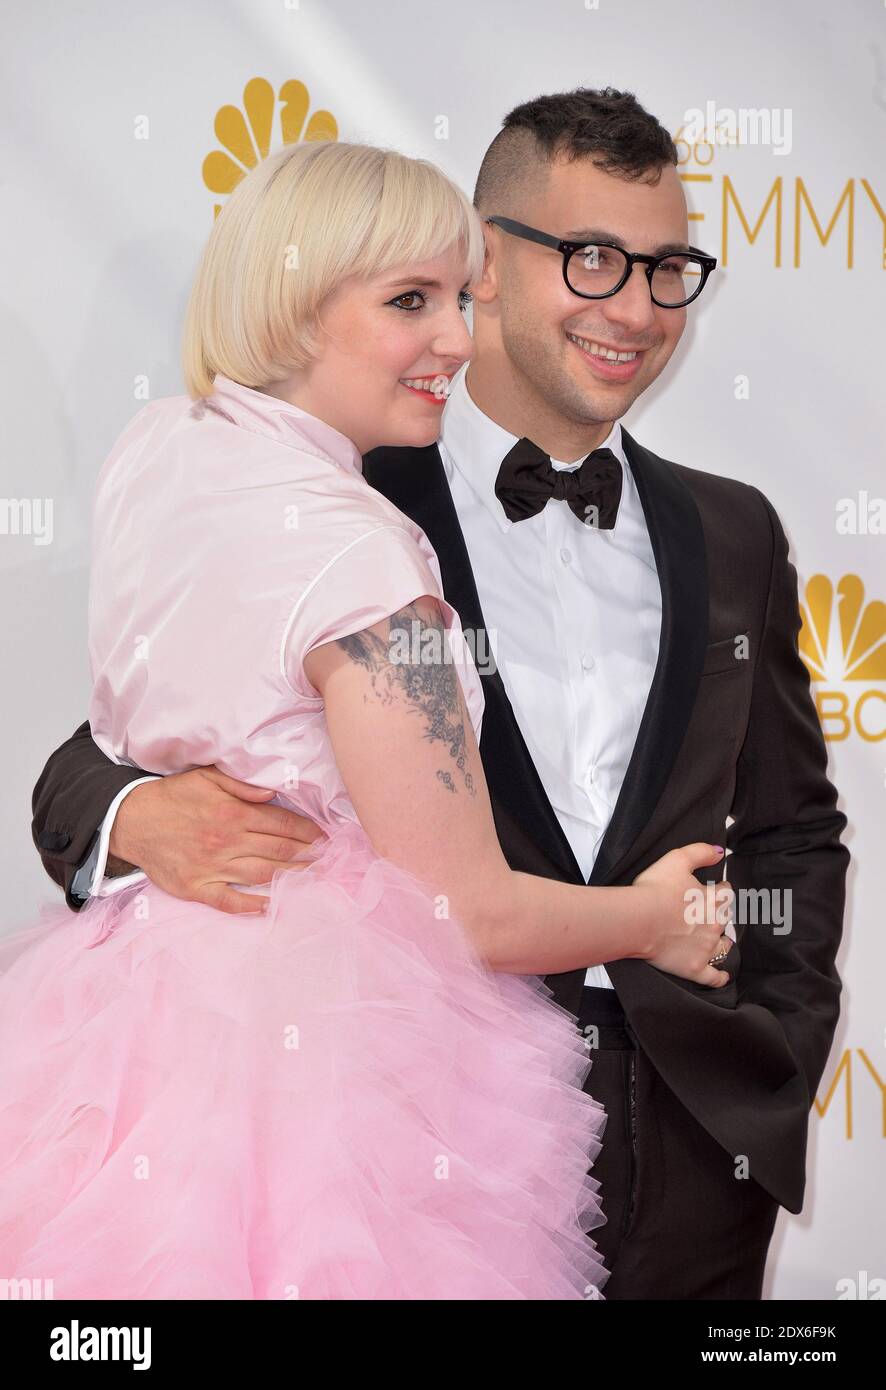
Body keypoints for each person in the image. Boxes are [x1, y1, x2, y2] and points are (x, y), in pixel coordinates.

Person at [31, 87, 848, 1301]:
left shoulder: (734, 532)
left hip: (692, 1144)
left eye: (668, 267)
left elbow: (791, 827)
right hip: (399, 1131)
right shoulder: (349, 494)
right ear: (490, 259)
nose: (635, 308)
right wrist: (130, 818)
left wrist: (770, 1049)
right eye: (591, 260)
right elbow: (106, 746)